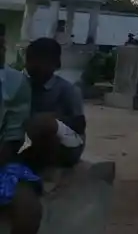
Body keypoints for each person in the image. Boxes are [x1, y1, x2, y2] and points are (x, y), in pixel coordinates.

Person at [0, 28, 43, 233]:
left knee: (29, 211)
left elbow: (13, 137)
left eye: (1, 46)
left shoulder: (15, 83)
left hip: (2, 162)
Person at [21, 38, 86, 174]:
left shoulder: (67, 89)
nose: (33, 65)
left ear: (55, 64)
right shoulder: (24, 85)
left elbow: (80, 124)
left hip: (67, 145)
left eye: (40, 61)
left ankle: (48, 174)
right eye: (30, 60)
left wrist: (53, 121)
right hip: (32, 140)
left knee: (44, 123)